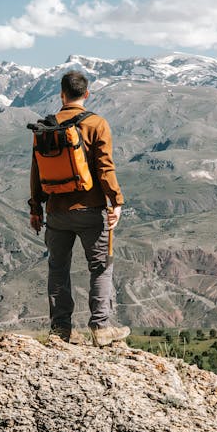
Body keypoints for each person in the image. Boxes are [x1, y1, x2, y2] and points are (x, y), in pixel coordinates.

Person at [29, 70, 130, 346]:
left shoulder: (45, 126)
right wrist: (116, 202)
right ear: (86, 94)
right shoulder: (97, 124)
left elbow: (36, 170)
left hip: (56, 212)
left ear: (61, 95)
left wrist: (35, 208)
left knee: (58, 268)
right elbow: (105, 168)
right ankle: (100, 328)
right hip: (89, 211)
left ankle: (60, 330)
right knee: (100, 267)